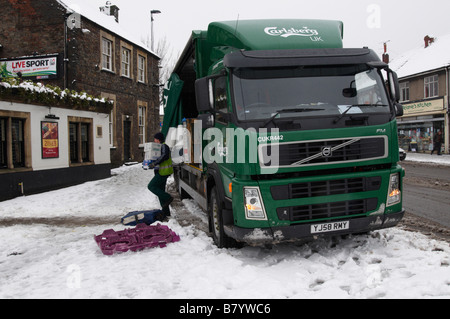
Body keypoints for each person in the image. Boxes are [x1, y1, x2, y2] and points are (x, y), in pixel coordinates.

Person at [148, 132, 174, 219]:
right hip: (161, 171)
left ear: (158, 139)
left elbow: (164, 156)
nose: (154, 140)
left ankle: (168, 197)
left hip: (164, 172)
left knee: (151, 186)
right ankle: (166, 213)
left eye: (155, 139)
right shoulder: (159, 147)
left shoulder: (164, 146)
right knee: (160, 191)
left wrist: (155, 163)